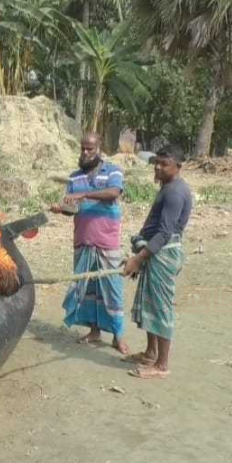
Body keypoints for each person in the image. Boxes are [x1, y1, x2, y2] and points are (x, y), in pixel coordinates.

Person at [122, 150, 194, 380]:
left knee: (161, 307)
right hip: (156, 253)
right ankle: (151, 353)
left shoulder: (174, 192)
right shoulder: (169, 186)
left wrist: (137, 258)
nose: (158, 168)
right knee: (150, 303)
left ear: (178, 166)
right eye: (156, 163)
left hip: (163, 255)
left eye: (164, 164)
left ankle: (162, 365)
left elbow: (164, 233)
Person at [61, 132, 129, 353]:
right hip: (83, 240)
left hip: (106, 241)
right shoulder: (74, 177)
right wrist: (62, 208)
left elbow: (113, 192)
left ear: (99, 149)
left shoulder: (113, 171)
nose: (85, 152)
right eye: (82, 148)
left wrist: (84, 195)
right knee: (87, 287)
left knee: (112, 287)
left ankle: (118, 336)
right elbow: (71, 209)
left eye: (89, 148)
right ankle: (94, 331)